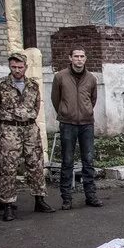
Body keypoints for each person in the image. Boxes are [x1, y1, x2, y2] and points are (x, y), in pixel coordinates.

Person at [0, 52, 54, 221]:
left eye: (20, 67)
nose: (17, 70)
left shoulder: (33, 85)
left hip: (29, 129)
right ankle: (8, 204)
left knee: (35, 164)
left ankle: (39, 199)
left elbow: (36, 106)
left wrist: (29, 118)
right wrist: (1, 130)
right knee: (8, 168)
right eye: (14, 67)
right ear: (9, 67)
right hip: (9, 129)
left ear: (25, 67)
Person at [51, 48, 101, 209]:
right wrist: (66, 112)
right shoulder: (60, 77)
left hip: (86, 124)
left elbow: (92, 99)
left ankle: (91, 196)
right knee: (67, 161)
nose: (79, 59)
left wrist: (85, 112)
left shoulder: (92, 78)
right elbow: (55, 99)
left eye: (81, 56)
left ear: (85, 59)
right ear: (70, 58)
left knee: (88, 160)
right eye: (76, 56)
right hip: (68, 124)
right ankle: (66, 199)